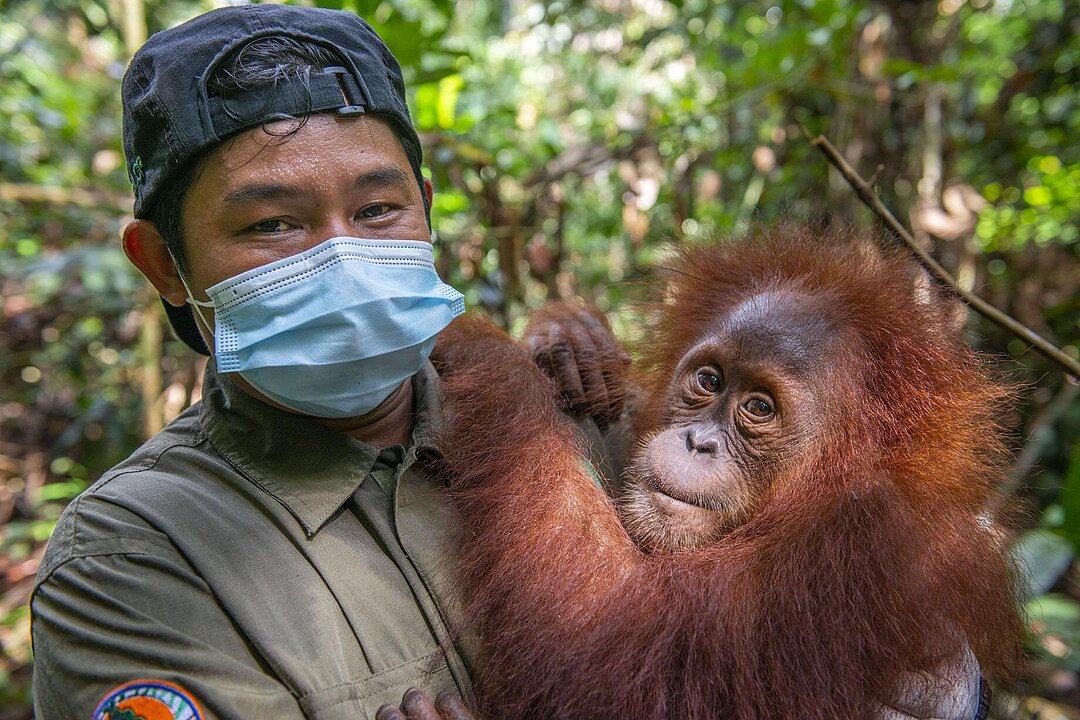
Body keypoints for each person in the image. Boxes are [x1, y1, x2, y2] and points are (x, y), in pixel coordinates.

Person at [29, 6, 986, 720]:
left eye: (376, 211)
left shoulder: (591, 424)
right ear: (163, 264)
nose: (342, 257)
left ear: (426, 210)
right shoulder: (137, 559)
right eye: (271, 223)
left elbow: (634, 660)